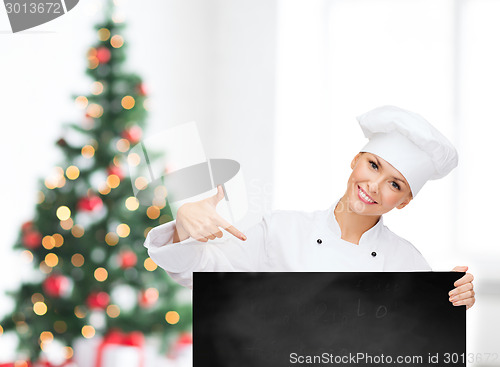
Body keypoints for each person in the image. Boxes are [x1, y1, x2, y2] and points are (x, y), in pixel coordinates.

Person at [144, 105, 475, 310]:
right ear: (355, 161)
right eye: (373, 165)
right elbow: (203, 274)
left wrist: (450, 301)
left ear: (404, 201)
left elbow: (418, 345)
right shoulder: (280, 231)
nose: (374, 186)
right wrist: (184, 227)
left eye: (395, 183)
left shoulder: (408, 262)